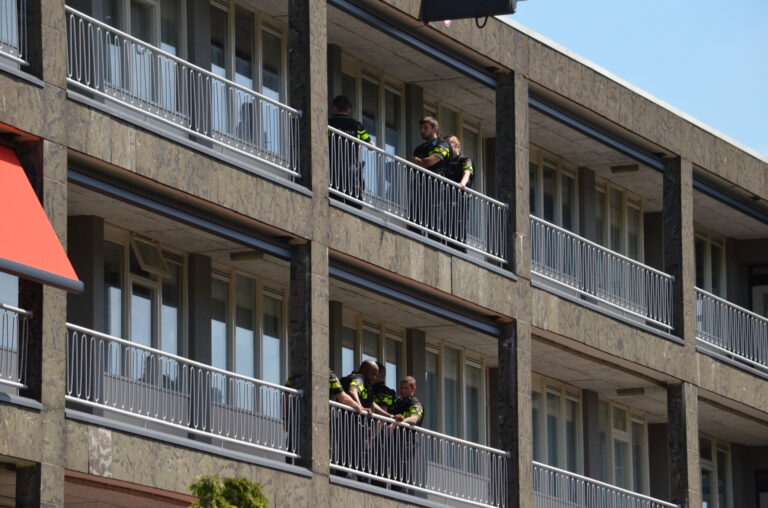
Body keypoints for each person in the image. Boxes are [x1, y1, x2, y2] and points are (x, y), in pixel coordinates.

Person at [328, 95, 372, 205]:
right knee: (353, 200)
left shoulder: (329, 123)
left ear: (334, 108)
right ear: (348, 110)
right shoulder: (356, 126)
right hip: (351, 168)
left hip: (333, 167)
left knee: (334, 198)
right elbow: (371, 146)